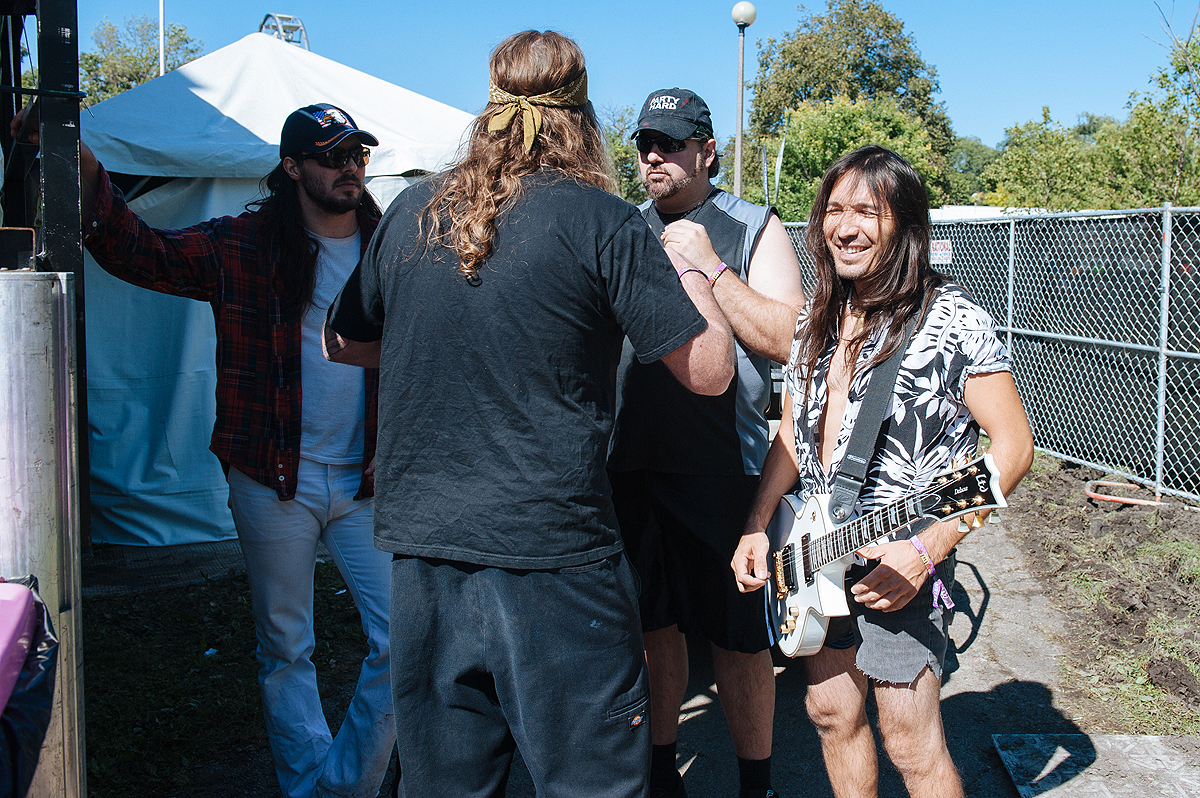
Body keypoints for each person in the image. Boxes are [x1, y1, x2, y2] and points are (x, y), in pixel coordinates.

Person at [323, 31, 736, 798]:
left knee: (447, 782)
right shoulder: (601, 218)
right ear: (580, 115)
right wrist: (697, 266)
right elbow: (709, 370)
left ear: (491, 106)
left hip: (427, 554)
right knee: (592, 784)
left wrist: (444, 339)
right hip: (555, 557)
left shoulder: (414, 208)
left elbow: (342, 340)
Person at [23, 102, 397, 798]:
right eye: (331, 155)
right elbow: (143, 252)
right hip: (269, 475)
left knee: (403, 641)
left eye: (358, 154)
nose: (349, 167)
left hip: (367, 477)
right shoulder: (245, 246)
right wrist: (88, 173)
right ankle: (305, 782)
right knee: (286, 648)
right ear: (292, 168)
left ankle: (344, 786)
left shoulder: (392, 246)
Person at [731, 145, 1034, 798]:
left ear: (906, 225)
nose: (845, 226)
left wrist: (929, 547)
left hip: (903, 556)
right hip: (814, 550)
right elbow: (792, 434)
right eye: (834, 210)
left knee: (908, 740)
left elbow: (1012, 449)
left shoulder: (953, 321)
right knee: (832, 713)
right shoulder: (817, 319)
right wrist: (758, 524)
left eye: (867, 211)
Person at [607, 88, 806, 798]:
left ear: (707, 149)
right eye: (644, 145)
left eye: (671, 143)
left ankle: (757, 784)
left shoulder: (751, 226)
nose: (654, 157)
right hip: (630, 465)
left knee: (738, 638)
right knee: (652, 628)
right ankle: (663, 776)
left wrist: (710, 267)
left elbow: (790, 340)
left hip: (725, 469)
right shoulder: (623, 226)